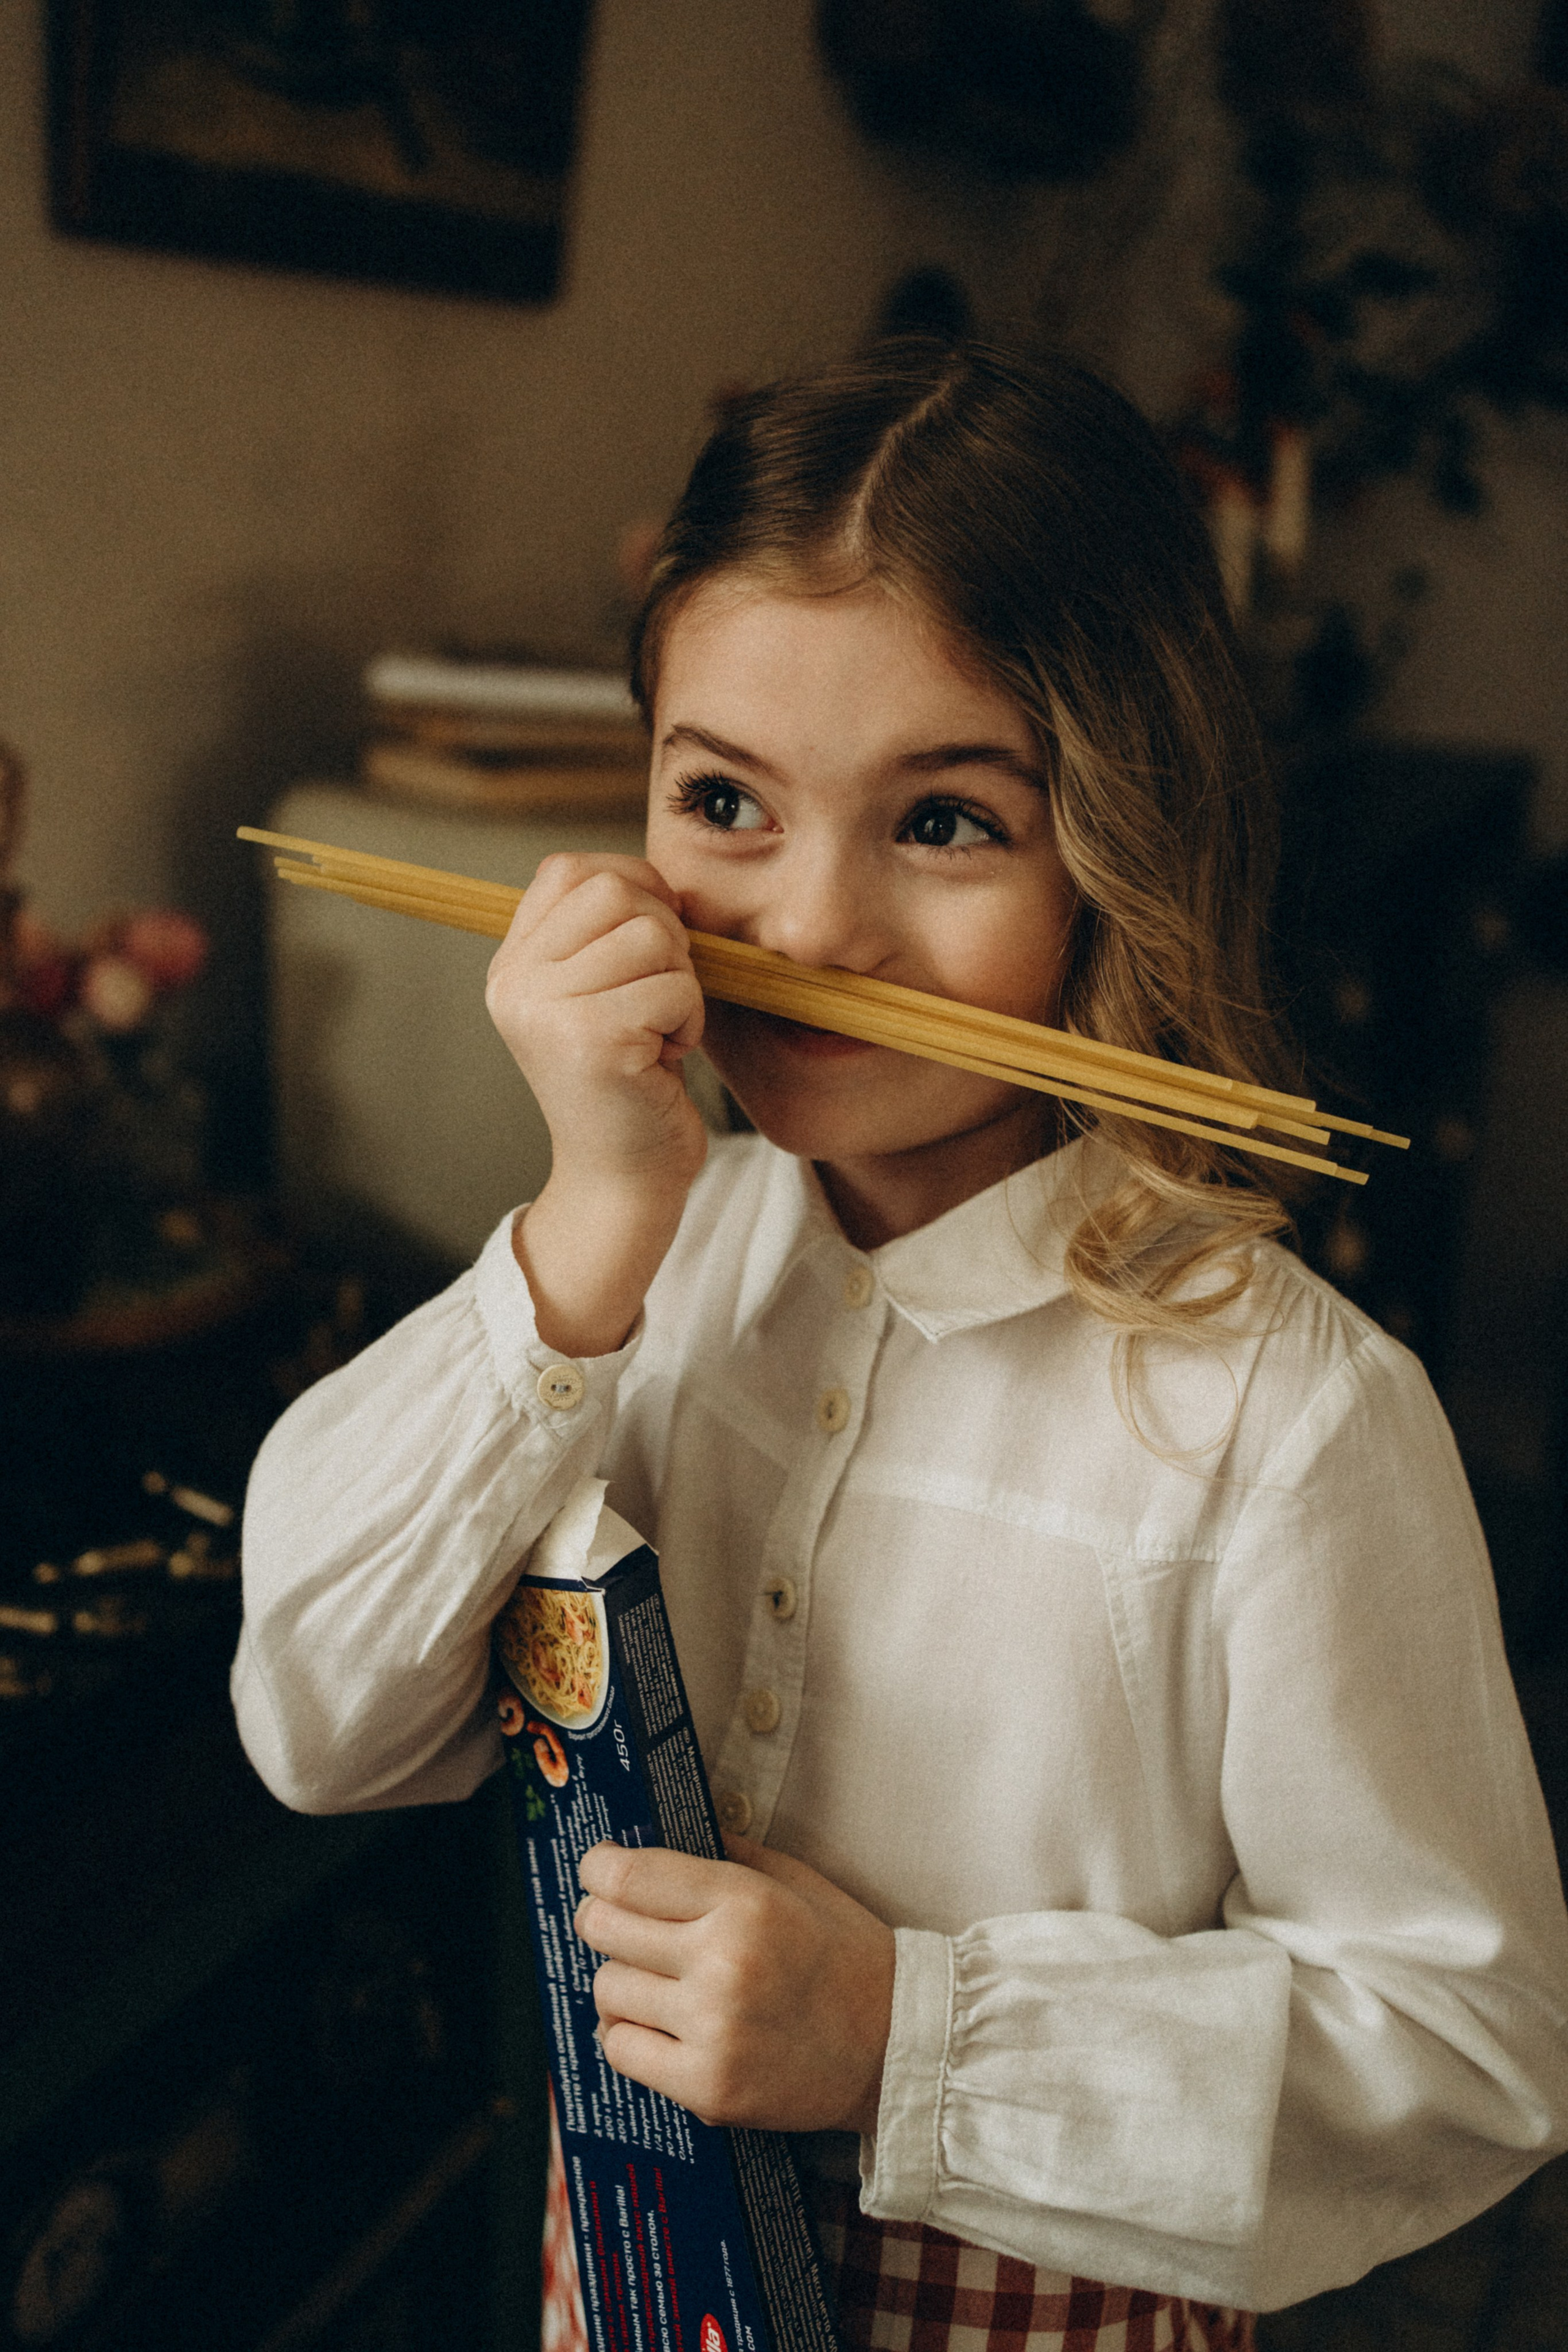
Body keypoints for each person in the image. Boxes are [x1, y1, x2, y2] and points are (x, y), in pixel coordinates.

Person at [235, 342, 1568, 2349]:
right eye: (723, 803)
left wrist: (904, 2037)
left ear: (1119, 838)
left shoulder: (1281, 1415)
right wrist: (592, 1218)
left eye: (944, 821)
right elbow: (321, 1725)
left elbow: (1471, 2058)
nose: (814, 924)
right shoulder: (648, 1266)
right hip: (626, 2279)